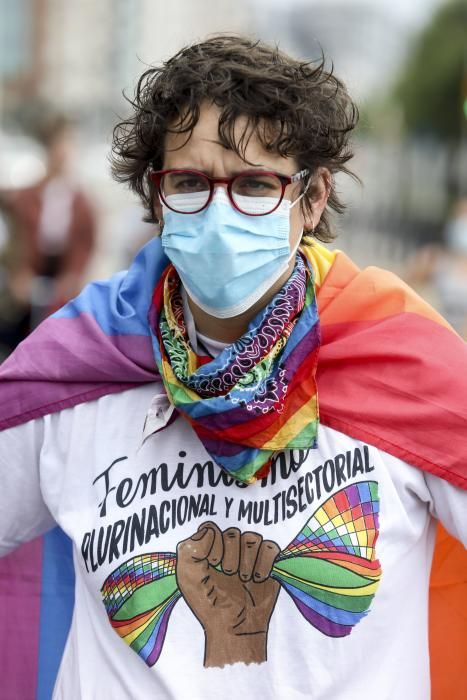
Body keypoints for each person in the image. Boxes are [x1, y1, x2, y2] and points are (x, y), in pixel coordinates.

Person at [0, 35, 466, 700]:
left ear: (310, 198)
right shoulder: (78, 370)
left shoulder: (403, 365)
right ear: (156, 196)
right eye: (189, 183)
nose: (219, 214)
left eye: (254, 185)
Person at [0, 113, 96, 353]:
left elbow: (85, 243)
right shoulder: (28, 195)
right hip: (30, 275)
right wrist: (19, 274)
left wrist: (72, 276)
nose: (63, 152)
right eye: (58, 144)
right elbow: (17, 236)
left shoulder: (81, 201)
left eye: (68, 144)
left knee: (58, 340)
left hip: (61, 278)